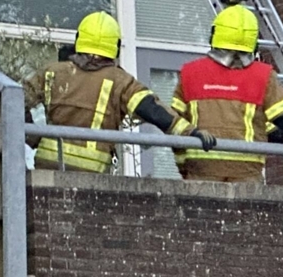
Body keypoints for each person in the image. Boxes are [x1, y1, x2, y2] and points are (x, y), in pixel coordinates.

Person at [23, 11, 216, 173]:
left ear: (79, 40)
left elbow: (13, 101)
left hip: (47, 168)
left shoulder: (52, 72)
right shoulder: (119, 80)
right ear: (115, 47)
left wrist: (32, 136)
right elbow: (153, 110)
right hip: (91, 174)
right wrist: (191, 132)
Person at [171, 6, 283, 182]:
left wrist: (183, 167)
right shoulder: (263, 75)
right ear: (253, 41)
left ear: (215, 33)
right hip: (247, 173)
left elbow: (175, 126)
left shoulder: (190, 73)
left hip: (201, 171)